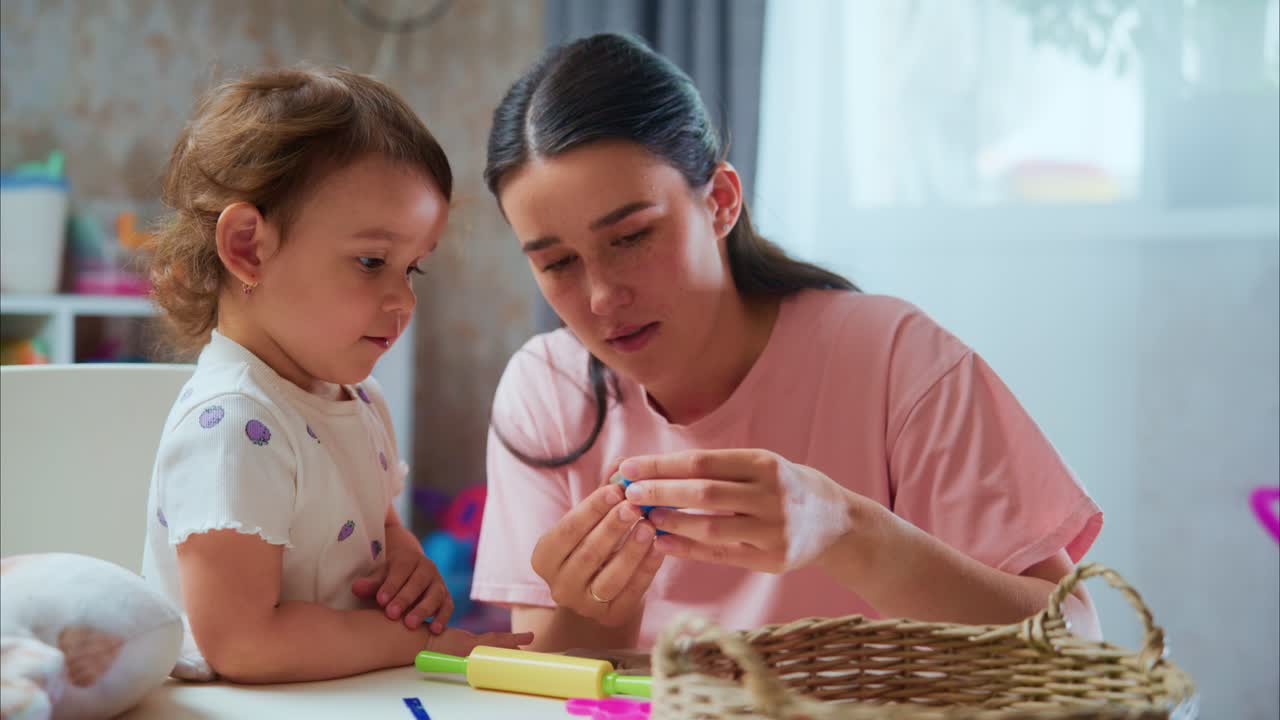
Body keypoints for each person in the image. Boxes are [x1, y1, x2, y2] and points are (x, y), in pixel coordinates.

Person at [472, 33, 1104, 652]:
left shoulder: (893, 358)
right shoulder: (546, 389)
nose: (603, 297)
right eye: (557, 264)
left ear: (720, 202)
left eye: (631, 237)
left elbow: (1075, 641)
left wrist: (846, 531)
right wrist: (603, 606)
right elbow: (546, 682)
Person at [141, 65, 530, 684]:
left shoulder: (358, 399)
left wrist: (405, 561)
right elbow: (242, 645)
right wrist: (413, 640)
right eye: (372, 261)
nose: (402, 299)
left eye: (412, 269)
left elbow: (375, 525)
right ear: (248, 247)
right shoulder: (234, 424)